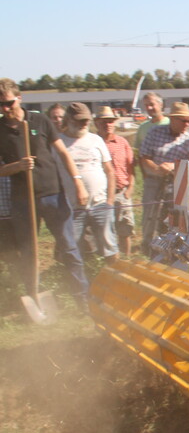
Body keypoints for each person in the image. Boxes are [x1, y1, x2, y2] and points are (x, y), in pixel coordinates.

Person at [0, 78, 89, 305]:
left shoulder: (39, 121)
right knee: (28, 252)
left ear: (19, 98)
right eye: (0, 105)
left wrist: (77, 183)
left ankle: (81, 296)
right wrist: (16, 167)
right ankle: (34, 296)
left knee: (68, 246)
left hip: (53, 195)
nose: (5, 109)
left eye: (9, 103)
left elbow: (63, 153)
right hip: (23, 200)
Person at [59, 102, 117, 264]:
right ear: (69, 119)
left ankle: (114, 278)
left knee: (110, 247)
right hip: (73, 209)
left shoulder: (96, 140)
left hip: (100, 205)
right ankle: (78, 284)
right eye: (79, 120)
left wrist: (110, 201)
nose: (84, 124)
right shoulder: (58, 143)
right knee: (73, 248)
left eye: (86, 120)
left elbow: (110, 171)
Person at [139, 102, 189, 254]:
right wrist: (157, 168)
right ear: (173, 119)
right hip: (155, 179)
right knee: (150, 215)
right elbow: (144, 157)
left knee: (178, 217)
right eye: (183, 120)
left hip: (179, 180)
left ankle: (175, 249)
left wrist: (173, 166)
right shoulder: (155, 132)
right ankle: (148, 249)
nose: (187, 124)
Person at [95, 106, 135, 257]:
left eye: (110, 121)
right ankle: (109, 263)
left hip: (121, 192)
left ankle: (126, 260)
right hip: (102, 195)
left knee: (125, 229)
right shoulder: (93, 142)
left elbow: (131, 167)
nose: (107, 124)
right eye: (104, 121)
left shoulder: (122, 142)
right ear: (96, 122)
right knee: (104, 231)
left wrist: (130, 189)